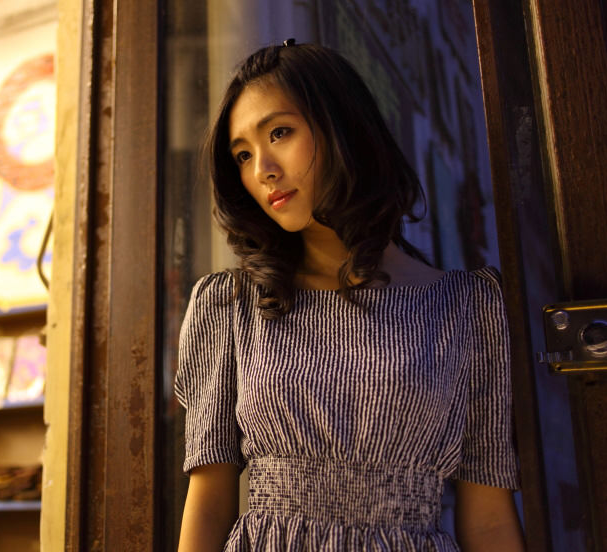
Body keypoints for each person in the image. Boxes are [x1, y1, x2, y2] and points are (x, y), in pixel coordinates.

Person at [174, 41, 525, 551]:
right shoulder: (228, 307)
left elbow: (490, 519)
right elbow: (208, 503)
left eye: (280, 133)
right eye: (243, 155)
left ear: (343, 127)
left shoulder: (469, 309)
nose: (263, 170)